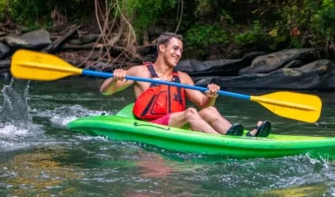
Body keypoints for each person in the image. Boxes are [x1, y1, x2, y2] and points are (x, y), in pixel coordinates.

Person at [100, 32, 271, 137]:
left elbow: (204, 104)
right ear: (161, 48)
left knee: (210, 110)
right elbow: (106, 91)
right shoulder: (140, 72)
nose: (178, 54)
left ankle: (245, 136)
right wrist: (114, 78)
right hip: (152, 125)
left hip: (177, 123)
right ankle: (222, 140)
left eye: (181, 50)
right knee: (190, 112)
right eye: (175, 48)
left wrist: (211, 96)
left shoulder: (183, 78)